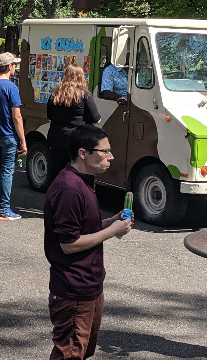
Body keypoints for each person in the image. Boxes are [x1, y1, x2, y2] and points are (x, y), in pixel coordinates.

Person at [43, 124, 133, 360]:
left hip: (90, 285)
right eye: (104, 151)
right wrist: (112, 231)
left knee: (81, 351)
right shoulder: (69, 189)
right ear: (83, 153)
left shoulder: (84, 181)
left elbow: (83, 229)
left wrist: (111, 222)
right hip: (73, 289)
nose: (110, 157)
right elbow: (69, 244)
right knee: (70, 353)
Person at [0, 52, 27, 221]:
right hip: (9, 136)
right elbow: (16, 117)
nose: (15, 68)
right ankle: (4, 209)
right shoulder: (11, 88)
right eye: (14, 65)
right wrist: (23, 140)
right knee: (7, 172)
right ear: (9, 67)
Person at [47, 64, 102, 183]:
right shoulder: (85, 95)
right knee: (78, 174)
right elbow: (96, 118)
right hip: (76, 140)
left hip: (56, 138)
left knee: (58, 172)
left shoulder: (54, 94)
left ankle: (59, 197)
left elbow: (50, 117)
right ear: (80, 77)